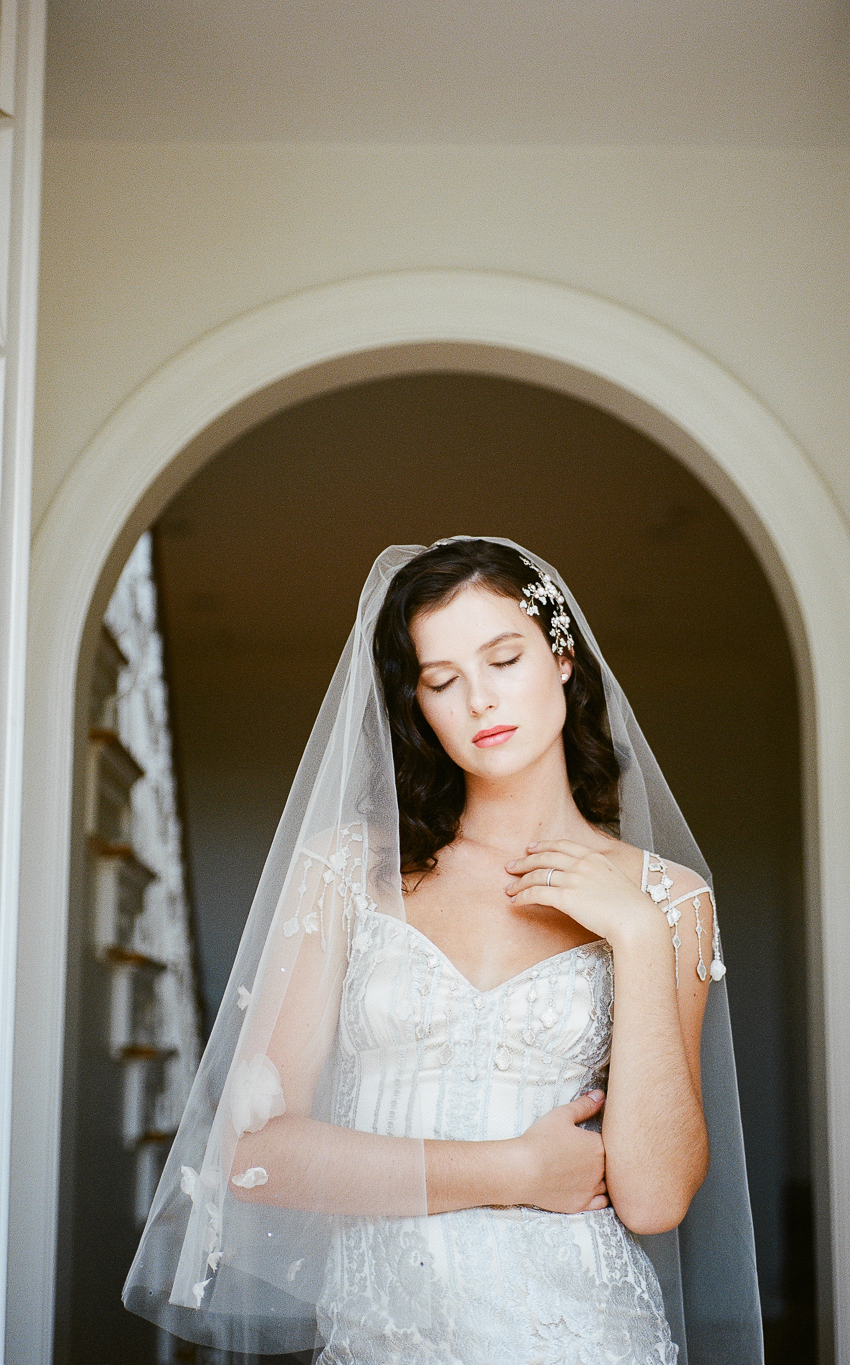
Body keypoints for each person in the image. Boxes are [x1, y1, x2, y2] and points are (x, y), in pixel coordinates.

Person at [124, 537, 763, 1364]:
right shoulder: (345, 873)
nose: (480, 701)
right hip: (377, 1338)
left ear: (561, 656)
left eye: (504, 657)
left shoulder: (669, 900)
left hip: (587, 1336)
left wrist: (636, 936)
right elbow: (256, 1154)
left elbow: (655, 1196)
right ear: (417, 704)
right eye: (442, 680)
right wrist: (515, 1169)